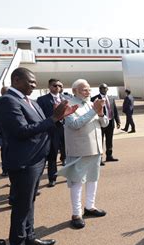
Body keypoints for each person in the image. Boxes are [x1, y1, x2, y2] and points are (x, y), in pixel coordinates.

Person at [0, 67, 76, 245]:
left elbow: (43, 124)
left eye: (34, 82)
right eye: (30, 81)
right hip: (23, 162)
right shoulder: (8, 101)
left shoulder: (29, 100)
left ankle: (29, 238)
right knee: (21, 207)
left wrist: (59, 118)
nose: (34, 85)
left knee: (29, 202)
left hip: (36, 159)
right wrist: (53, 119)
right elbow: (21, 131)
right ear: (16, 80)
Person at [59, 79, 109, 229]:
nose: (87, 92)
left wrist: (100, 113)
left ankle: (90, 207)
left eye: (88, 90)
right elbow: (74, 124)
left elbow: (105, 123)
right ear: (74, 91)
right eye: (83, 90)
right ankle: (76, 214)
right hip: (79, 149)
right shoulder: (68, 105)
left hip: (95, 148)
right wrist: (94, 111)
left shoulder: (90, 103)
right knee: (77, 182)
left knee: (93, 179)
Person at [37, 78, 66, 187]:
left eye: (59, 86)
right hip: (51, 131)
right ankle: (52, 178)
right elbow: (40, 117)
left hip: (65, 129)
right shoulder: (42, 99)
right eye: (54, 85)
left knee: (68, 153)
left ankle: (70, 175)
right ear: (49, 87)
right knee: (52, 155)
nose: (57, 87)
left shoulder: (65, 98)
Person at [91, 83, 120, 165]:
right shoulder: (94, 99)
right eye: (102, 88)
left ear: (107, 89)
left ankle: (109, 155)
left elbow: (114, 110)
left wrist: (117, 121)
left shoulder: (111, 98)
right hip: (100, 122)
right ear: (99, 89)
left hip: (110, 122)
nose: (104, 90)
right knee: (100, 141)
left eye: (106, 88)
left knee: (109, 140)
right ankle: (99, 159)